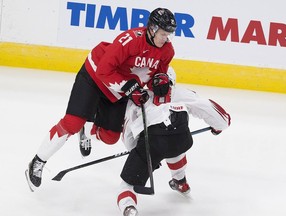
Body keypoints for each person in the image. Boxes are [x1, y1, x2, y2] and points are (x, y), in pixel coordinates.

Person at [25, 8, 177, 192]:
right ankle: (38, 160)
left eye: (169, 34)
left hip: (119, 91)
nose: (166, 38)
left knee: (111, 137)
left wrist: (159, 84)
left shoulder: (167, 50)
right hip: (94, 77)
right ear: (152, 29)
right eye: (163, 33)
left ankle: (86, 129)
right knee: (72, 122)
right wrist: (131, 89)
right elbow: (103, 70)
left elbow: (155, 76)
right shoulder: (130, 40)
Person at [116, 68, 231, 216]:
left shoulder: (138, 99)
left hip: (153, 144)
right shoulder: (182, 93)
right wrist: (219, 126)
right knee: (174, 144)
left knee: (127, 184)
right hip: (182, 139)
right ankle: (180, 182)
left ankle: (129, 208)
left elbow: (128, 135)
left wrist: (139, 152)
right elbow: (216, 115)